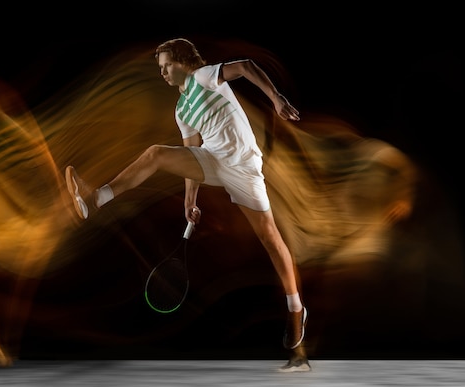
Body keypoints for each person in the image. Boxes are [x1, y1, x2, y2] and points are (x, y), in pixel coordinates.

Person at [65, 38, 309, 371]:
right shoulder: (182, 110)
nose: (163, 72)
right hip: (211, 160)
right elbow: (191, 151)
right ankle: (97, 199)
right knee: (156, 154)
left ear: (183, 62)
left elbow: (246, 67)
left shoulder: (204, 76)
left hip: (243, 165)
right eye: (161, 68)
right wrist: (189, 201)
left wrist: (276, 99)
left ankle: (296, 309)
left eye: (166, 65)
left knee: (270, 239)